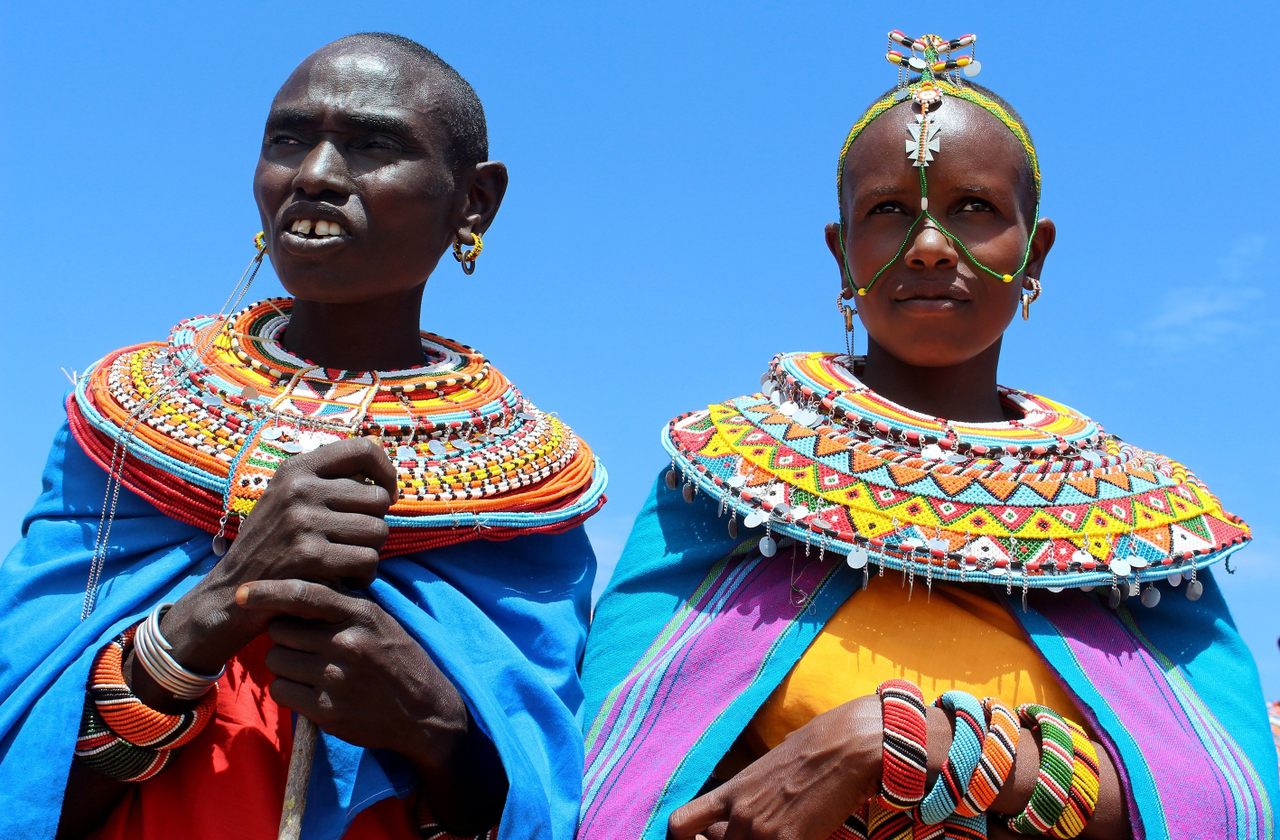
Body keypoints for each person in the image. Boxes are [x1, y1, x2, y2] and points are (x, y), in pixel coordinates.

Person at [579, 30, 1278, 840]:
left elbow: (1223, 804)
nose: (931, 246)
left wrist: (913, 747)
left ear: (1035, 250)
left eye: (974, 210)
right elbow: (629, 774)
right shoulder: (725, 483)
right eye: (888, 213)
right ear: (842, 255)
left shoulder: (1142, 528)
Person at [0, 33, 605, 840]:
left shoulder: (525, 505)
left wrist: (434, 729)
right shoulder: (121, 439)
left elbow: (546, 803)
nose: (315, 174)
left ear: (474, 201)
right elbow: (25, 782)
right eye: (288, 139)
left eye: (371, 145)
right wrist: (211, 613)